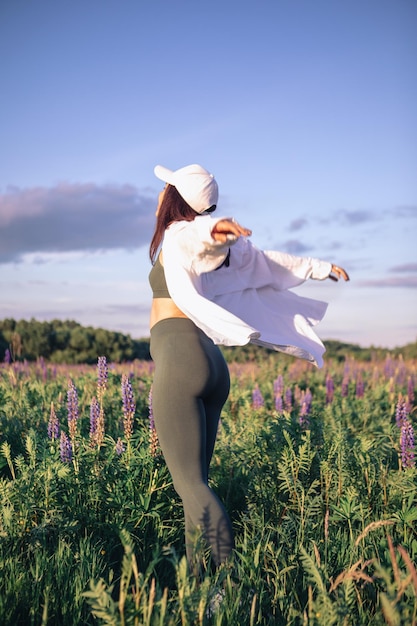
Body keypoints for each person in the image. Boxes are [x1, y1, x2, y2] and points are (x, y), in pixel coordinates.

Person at [148, 163, 349, 573]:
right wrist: (318, 267)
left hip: (180, 357)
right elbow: (267, 263)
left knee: (188, 485)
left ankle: (228, 586)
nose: (157, 196)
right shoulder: (222, 249)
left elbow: (203, 237)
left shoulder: (182, 233)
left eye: (163, 189)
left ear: (174, 198)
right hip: (210, 364)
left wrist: (217, 228)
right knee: (196, 488)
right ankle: (199, 587)